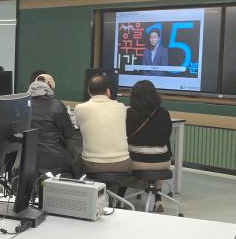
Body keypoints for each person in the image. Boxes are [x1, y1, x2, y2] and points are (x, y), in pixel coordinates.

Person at [126, 80, 172, 212]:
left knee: (121, 160)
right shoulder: (164, 113)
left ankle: (120, 197)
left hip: (137, 163)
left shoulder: (129, 114)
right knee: (161, 149)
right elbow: (166, 137)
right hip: (163, 163)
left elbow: (125, 137)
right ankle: (158, 200)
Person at [73, 73, 131, 173]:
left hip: (92, 165)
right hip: (123, 163)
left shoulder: (80, 108)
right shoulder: (121, 107)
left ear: (88, 91)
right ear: (108, 91)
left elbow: (78, 126)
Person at [27, 73, 81, 177]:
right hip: (56, 159)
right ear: (49, 89)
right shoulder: (57, 105)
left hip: (29, 159)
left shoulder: (23, 106)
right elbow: (69, 133)